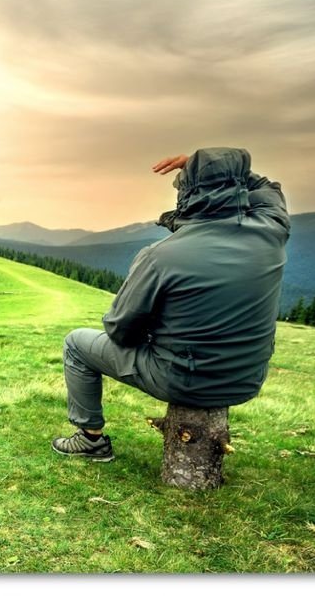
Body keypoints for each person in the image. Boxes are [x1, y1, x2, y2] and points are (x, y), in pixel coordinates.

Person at [52, 147, 290, 460]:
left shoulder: (161, 256)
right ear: (239, 188)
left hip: (184, 380)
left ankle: (90, 440)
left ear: (187, 194)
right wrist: (218, 168)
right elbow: (269, 190)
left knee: (76, 344)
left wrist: (152, 334)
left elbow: (120, 331)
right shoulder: (272, 229)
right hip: (247, 378)